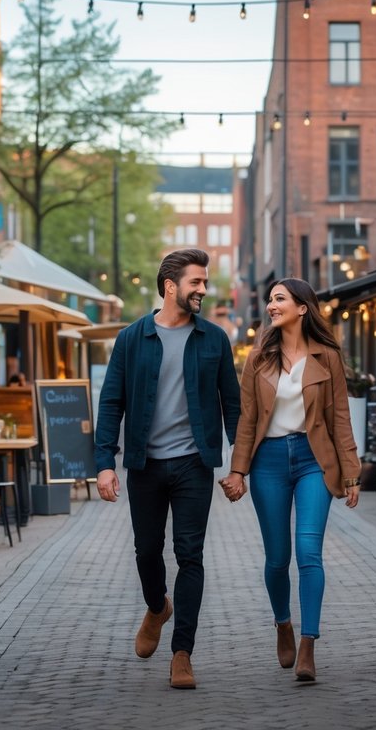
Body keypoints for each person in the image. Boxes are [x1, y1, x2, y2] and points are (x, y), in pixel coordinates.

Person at [94, 248, 241, 690]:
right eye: (196, 281)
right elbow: (110, 404)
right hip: (145, 464)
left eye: (205, 281)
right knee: (145, 552)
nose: (203, 288)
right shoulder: (131, 338)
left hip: (194, 464)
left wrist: (241, 466)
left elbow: (233, 407)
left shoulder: (214, 339)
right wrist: (105, 464)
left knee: (190, 556)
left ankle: (182, 653)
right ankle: (158, 607)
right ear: (170, 285)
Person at [219, 278, 361, 684]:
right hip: (268, 463)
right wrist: (237, 470)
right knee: (278, 557)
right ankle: (283, 622)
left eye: (279, 299)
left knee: (308, 551)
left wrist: (350, 472)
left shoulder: (327, 356)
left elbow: (339, 419)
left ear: (303, 308)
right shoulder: (258, 358)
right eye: (269, 300)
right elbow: (247, 421)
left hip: (314, 459)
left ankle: (308, 645)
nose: (270, 306)